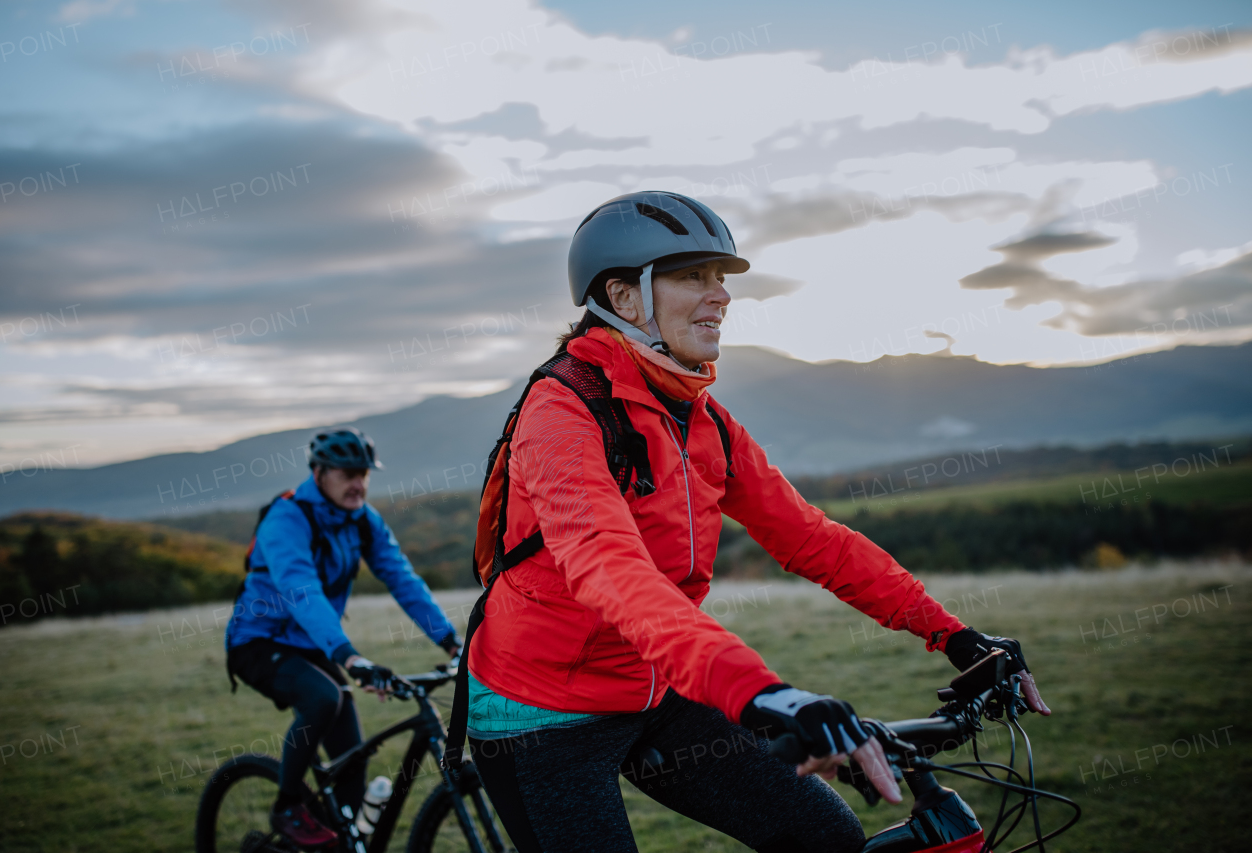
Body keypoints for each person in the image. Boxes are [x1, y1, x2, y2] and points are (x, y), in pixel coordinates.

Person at [460, 192, 1051, 853]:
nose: (720, 296)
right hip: (541, 708)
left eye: (721, 278)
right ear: (625, 299)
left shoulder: (702, 419)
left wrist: (953, 633)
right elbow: (612, 570)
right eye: (692, 276)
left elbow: (811, 538)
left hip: (657, 685)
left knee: (822, 834)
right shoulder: (561, 412)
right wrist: (764, 694)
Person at [225, 428, 461, 848]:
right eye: (348, 474)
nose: (359, 483)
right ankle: (287, 805)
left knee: (352, 758)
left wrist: (450, 641)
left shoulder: (362, 520)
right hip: (258, 641)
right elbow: (302, 592)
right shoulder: (287, 519)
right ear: (318, 473)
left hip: (309, 644)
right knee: (323, 698)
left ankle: (336, 836)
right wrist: (349, 657)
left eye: (364, 474)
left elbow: (402, 579)